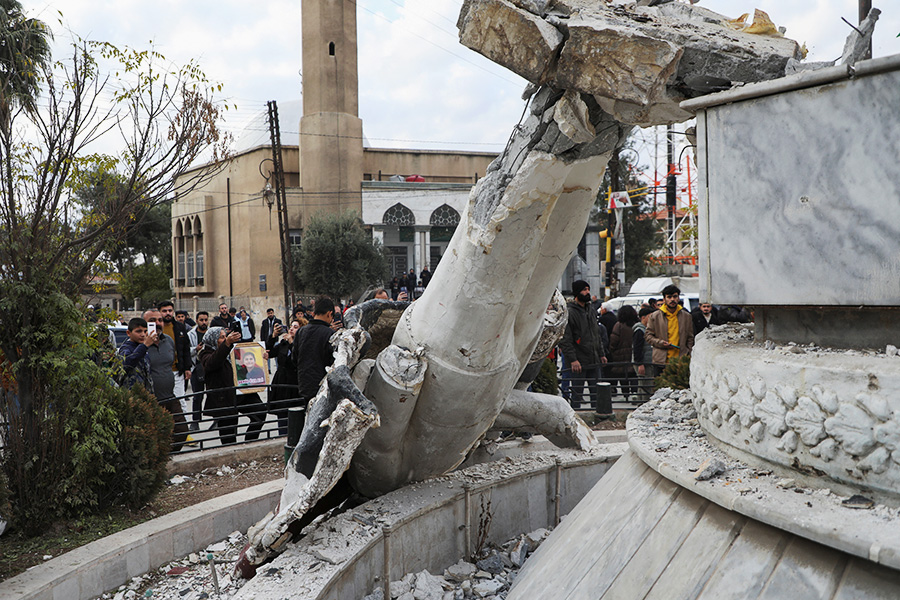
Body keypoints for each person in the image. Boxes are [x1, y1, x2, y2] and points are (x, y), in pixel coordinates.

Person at [198, 327, 266, 445]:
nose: (225, 339)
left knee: (260, 412)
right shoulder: (205, 353)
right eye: (222, 337)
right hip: (224, 398)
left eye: (226, 336)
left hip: (241, 393)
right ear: (213, 340)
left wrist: (262, 357)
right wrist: (227, 344)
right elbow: (212, 363)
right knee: (228, 433)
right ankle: (231, 455)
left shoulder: (232, 349)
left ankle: (249, 443)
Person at [558, 280, 610, 419]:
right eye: (584, 290)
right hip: (578, 363)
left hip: (593, 360)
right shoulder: (570, 312)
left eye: (588, 289)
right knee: (577, 395)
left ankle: (599, 420)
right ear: (577, 293)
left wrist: (601, 354)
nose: (587, 292)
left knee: (596, 393)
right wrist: (573, 360)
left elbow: (596, 334)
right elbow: (566, 339)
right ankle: (576, 421)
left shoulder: (591, 309)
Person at [143, 309, 188, 451]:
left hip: (169, 395)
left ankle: (171, 457)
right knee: (156, 435)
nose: (157, 323)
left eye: (160, 320)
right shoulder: (140, 345)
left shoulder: (168, 341)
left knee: (181, 431)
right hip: (151, 399)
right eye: (152, 321)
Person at [294, 296, 337, 407]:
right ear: (329, 313)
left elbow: (294, 358)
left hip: (304, 385)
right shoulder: (330, 334)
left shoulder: (301, 331)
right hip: (323, 387)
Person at [645, 284, 695, 376]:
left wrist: (689, 354)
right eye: (669, 297)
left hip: (680, 361)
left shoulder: (686, 316)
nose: (672, 299)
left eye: (675, 296)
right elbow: (648, 336)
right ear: (664, 299)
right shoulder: (655, 316)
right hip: (661, 361)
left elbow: (690, 337)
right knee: (660, 389)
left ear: (678, 298)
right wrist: (660, 343)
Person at [268, 319, 303, 435]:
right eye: (291, 326)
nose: (291, 329)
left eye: (296, 327)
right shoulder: (283, 343)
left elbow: (297, 360)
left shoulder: (302, 344)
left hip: (294, 384)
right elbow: (269, 351)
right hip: (281, 383)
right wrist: (273, 336)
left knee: (295, 417)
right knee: (282, 416)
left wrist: (292, 343)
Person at [157, 300, 192, 418]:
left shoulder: (179, 327)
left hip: (177, 370)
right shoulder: (154, 328)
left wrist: (187, 367)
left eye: (170, 311)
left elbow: (185, 348)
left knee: (180, 400)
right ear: (159, 312)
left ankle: (184, 429)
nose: (167, 313)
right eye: (164, 311)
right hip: (159, 372)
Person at [607, 305, 639, 400]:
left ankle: (626, 395)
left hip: (619, 356)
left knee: (623, 376)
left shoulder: (619, 325)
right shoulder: (637, 324)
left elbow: (614, 340)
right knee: (633, 375)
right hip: (633, 354)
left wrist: (612, 350)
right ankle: (634, 393)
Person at [117, 317, 155, 392]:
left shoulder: (144, 349)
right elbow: (128, 363)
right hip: (131, 393)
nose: (143, 335)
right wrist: (144, 346)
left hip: (144, 393)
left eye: (145, 331)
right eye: (138, 331)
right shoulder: (126, 348)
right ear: (128, 333)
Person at [187, 311, 210, 431]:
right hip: (196, 368)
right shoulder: (191, 334)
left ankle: (217, 420)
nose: (204, 322)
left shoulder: (212, 333)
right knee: (197, 396)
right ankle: (195, 421)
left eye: (206, 320)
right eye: (201, 320)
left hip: (211, 368)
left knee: (214, 395)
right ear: (196, 321)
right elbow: (187, 351)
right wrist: (196, 349)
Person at [632, 306, 655, 402]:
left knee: (644, 385)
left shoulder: (647, 330)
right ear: (643, 317)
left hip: (647, 361)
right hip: (643, 363)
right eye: (650, 317)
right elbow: (637, 349)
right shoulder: (639, 331)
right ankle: (643, 404)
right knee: (645, 385)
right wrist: (640, 364)